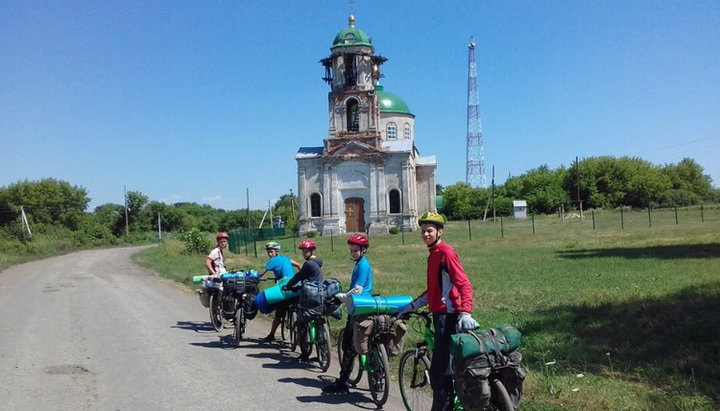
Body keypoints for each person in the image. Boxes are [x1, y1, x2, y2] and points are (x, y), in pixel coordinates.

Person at [395, 212, 478, 411]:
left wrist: (466, 312)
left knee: (440, 372)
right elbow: (433, 291)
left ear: (439, 232)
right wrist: (410, 307)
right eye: (423, 231)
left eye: (429, 231)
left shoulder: (445, 252)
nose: (425, 234)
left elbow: (463, 283)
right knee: (443, 369)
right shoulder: (433, 255)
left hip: (448, 317)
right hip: (440, 316)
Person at [322, 233, 374, 395]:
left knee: (347, 346)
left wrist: (342, 297)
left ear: (363, 250)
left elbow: (357, 290)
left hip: (358, 307)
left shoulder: (363, 265)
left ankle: (343, 382)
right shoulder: (361, 264)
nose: (353, 253)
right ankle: (377, 379)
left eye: (356, 250)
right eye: (351, 250)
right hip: (366, 305)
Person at [282, 240, 324, 361]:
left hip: (310, 297)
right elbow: (311, 280)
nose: (304, 253)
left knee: (301, 323)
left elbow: (298, 276)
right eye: (303, 251)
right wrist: (298, 287)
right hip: (320, 295)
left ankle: (304, 353)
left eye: (307, 251)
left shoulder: (309, 264)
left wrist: (288, 286)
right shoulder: (317, 262)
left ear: (312, 251)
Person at [259, 241, 301, 343]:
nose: (270, 254)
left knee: (279, 313)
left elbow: (261, 274)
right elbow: (299, 265)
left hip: (285, 288)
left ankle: (271, 335)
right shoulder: (286, 258)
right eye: (268, 252)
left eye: (271, 252)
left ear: (277, 251)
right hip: (296, 285)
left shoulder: (272, 261)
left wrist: (254, 278)